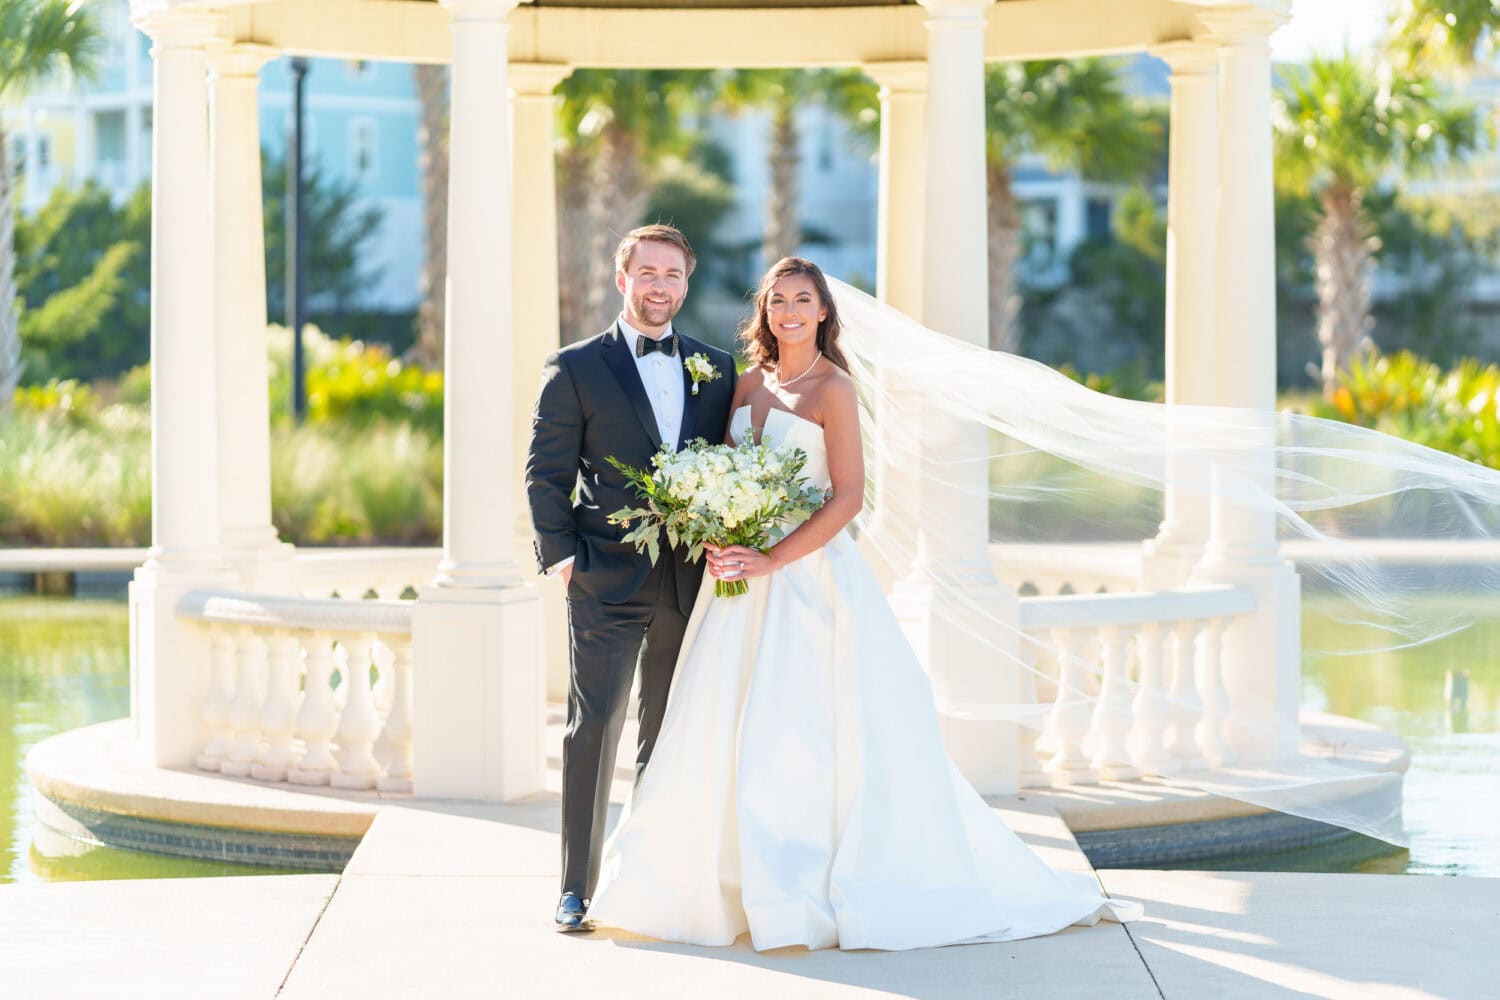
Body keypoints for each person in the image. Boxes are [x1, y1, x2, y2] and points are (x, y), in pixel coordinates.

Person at [585, 257, 1137, 951]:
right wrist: (718, 527)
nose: (788, 311)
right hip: (735, 586)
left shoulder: (833, 390)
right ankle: (708, 890)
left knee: (798, 732)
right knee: (717, 724)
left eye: (802, 300)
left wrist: (773, 558)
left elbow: (848, 497)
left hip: (806, 580)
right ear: (765, 311)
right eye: (778, 299)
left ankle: (794, 888)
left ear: (822, 313)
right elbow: (723, 472)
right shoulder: (746, 383)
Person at [525, 224, 738, 933]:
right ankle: (575, 889)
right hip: (602, 579)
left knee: (670, 732)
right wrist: (562, 561)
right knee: (595, 727)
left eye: (672, 274)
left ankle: (646, 879)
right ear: (623, 279)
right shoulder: (576, 367)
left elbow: (734, 464)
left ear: (686, 282)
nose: (659, 286)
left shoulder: (717, 368)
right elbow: (545, 475)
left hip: (689, 581)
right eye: (646, 272)